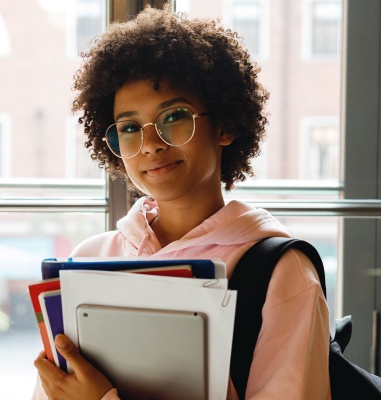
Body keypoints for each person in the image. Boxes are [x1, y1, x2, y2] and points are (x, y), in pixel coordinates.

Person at [33, 3, 331, 399]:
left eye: (174, 116)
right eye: (130, 127)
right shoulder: (90, 260)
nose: (151, 144)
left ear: (224, 125)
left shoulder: (281, 272)